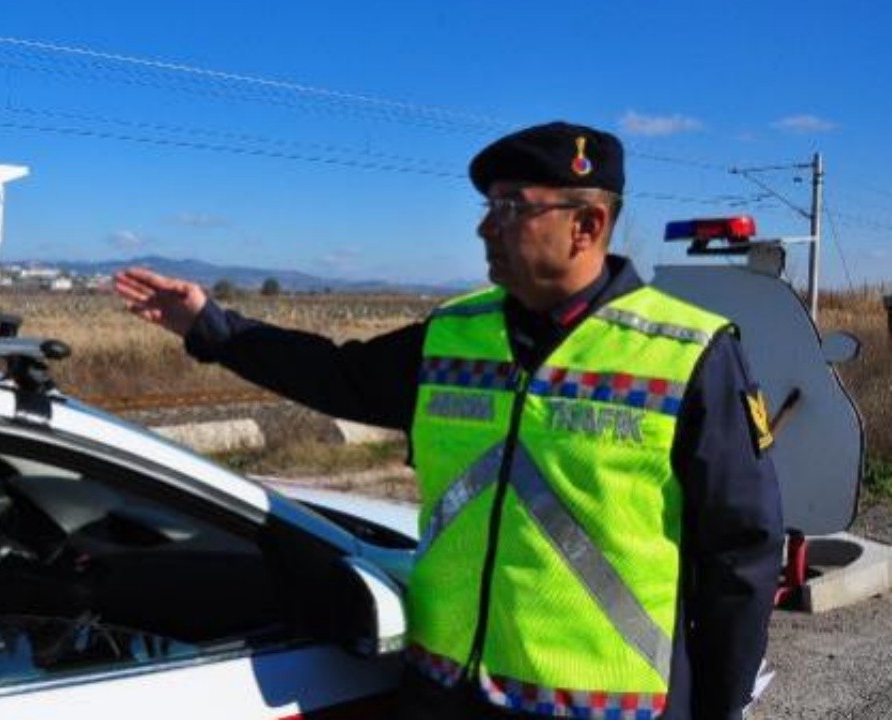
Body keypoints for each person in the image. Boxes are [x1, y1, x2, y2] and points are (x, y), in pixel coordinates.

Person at [113, 121, 783, 719]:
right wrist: (213, 327)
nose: (485, 227)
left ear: (588, 226)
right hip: (445, 692)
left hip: (605, 708)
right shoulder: (456, 336)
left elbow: (741, 554)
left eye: (511, 207)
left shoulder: (687, 353)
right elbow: (335, 375)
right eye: (489, 206)